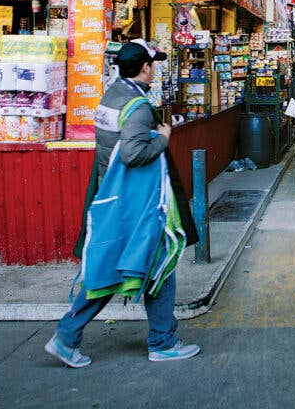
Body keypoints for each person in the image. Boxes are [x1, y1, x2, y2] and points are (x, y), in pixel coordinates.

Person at [46, 39, 200, 368]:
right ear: (145, 68)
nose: (155, 69)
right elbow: (132, 154)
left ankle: (67, 336)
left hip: (112, 199)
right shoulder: (138, 106)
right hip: (138, 204)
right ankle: (162, 341)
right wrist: (162, 138)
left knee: (107, 270)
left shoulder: (110, 96)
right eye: (153, 64)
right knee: (160, 265)